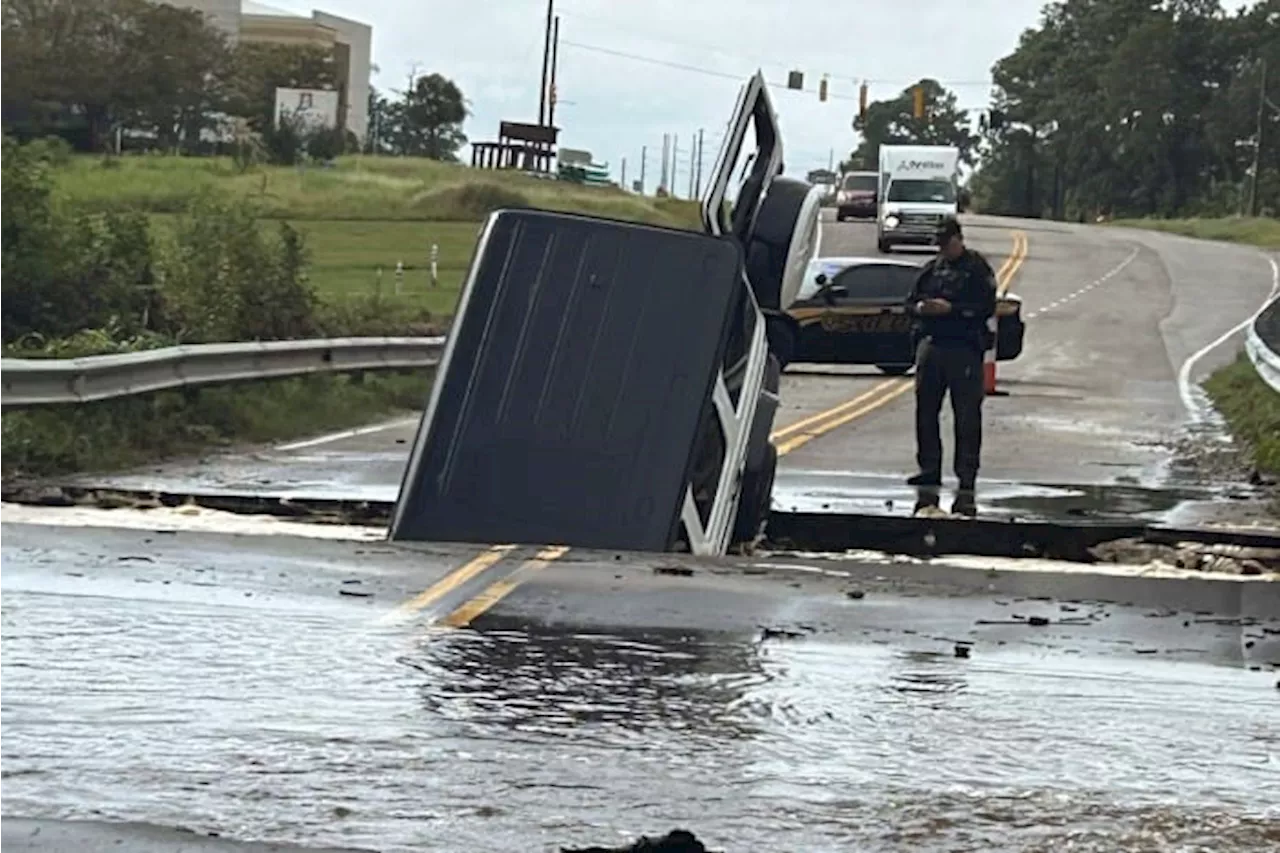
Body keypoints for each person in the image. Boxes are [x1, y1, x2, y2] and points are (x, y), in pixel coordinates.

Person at [903, 216, 997, 515]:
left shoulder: (976, 269)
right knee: (926, 411)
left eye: (948, 243)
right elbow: (909, 302)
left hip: (963, 348)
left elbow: (986, 307)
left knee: (967, 415)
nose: (944, 249)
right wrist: (922, 308)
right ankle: (929, 468)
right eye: (940, 244)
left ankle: (966, 474)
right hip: (932, 345)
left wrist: (953, 309)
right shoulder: (932, 269)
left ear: (959, 239)